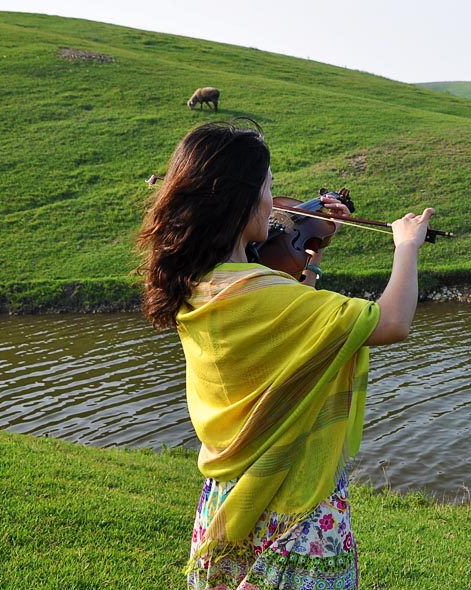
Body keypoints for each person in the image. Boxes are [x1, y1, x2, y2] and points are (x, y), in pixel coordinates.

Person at [136, 120, 434, 589]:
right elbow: (393, 320)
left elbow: (290, 335)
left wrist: (310, 249)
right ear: (244, 199)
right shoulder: (260, 295)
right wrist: (407, 246)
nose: (277, 205)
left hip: (234, 495)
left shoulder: (197, 284)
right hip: (295, 509)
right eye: (270, 188)